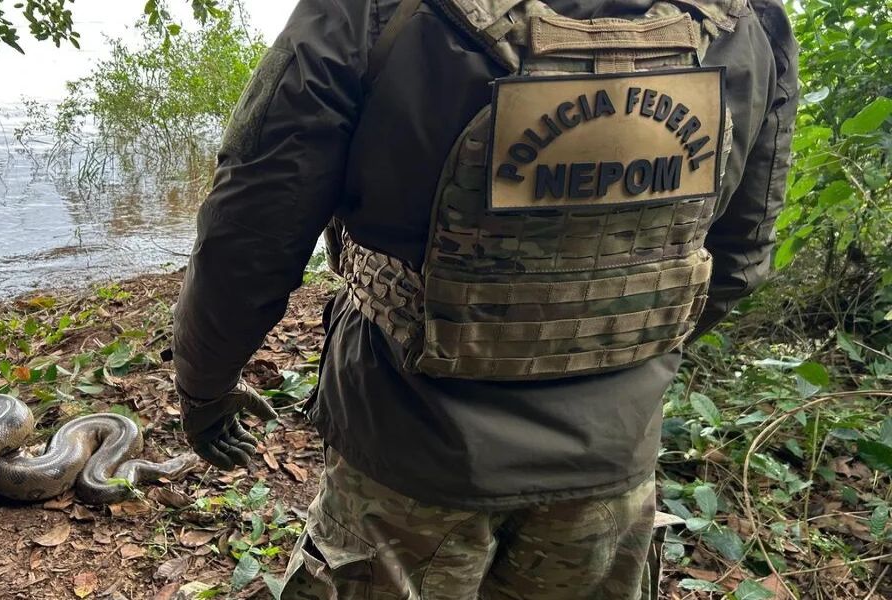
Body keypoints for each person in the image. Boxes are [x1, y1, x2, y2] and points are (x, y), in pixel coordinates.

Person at [172, 0, 797, 597]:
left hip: (408, 451)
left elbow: (248, 237)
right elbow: (741, 256)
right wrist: (617, 358)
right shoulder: (750, 24)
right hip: (613, 455)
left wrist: (204, 385)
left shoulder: (377, 13)